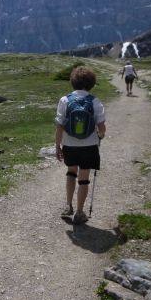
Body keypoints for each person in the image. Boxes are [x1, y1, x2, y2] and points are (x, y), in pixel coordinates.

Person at [55, 66, 106, 225]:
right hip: (89, 145)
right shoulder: (95, 101)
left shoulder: (65, 100)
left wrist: (58, 146)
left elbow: (59, 126)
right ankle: (79, 212)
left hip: (69, 144)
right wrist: (100, 136)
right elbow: (102, 128)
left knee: (71, 173)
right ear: (91, 83)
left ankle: (68, 205)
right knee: (84, 179)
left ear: (73, 82)